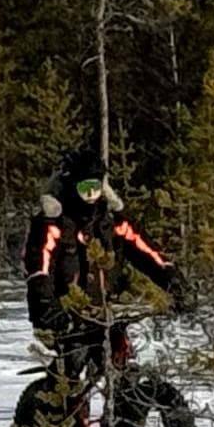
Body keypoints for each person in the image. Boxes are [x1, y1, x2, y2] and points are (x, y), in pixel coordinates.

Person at [22, 140, 188, 372]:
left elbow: (147, 252)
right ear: (70, 186)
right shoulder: (53, 224)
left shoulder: (111, 221)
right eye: (84, 188)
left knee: (121, 365)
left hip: (108, 310)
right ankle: (63, 405)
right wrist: (46, 307)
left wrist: (175, 282)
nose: (91, 195)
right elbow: (39, 268)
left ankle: (130, 403)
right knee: (72, 368)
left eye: (96, 187)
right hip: (68, 313)